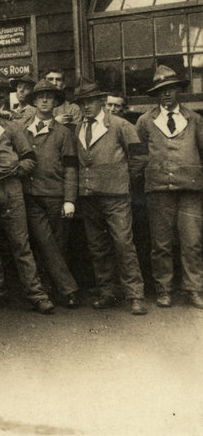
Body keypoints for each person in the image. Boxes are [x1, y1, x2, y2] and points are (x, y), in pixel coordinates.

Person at [0, 80, 55, 314]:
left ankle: (37, 295)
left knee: (20, 243)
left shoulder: (11, 127)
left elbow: (29, 157)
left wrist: (17, 171)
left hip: (11, 189)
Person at [73, 80, 149, 315]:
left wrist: (122, 178)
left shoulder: (120, 125)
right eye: (82, 103)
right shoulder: (77, 127)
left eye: (90, 101)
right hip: (89, 196)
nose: (86, 106)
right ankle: (108, 292)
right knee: (97, 247)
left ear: (100, 101)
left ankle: (135, 295)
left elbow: (139, 157)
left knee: (123, 243)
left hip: (116, 196)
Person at [135, 66, 203, 309]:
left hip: (190, 191)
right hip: (159, 190)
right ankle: (164, 290)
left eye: (170, 89)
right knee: (161, 243)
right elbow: (139, 155)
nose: (166, 94)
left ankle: (194, 289)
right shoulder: (145, 121)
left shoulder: (194, 119)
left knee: (192, 241)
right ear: (156, 94)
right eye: (161, 90)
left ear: (178, 91)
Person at [20, 79, 80, 308]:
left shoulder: (64, 133)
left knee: (58, 244)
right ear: (34, 101)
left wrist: (69, 199)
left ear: (55, 102)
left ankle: (50, 290)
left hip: (57, 196)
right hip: (31, 196)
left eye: (49, 97)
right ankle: (68, 289)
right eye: (40, 97)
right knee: (44, 241)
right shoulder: (22, 129)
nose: (44, 100)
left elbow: (71, 168)